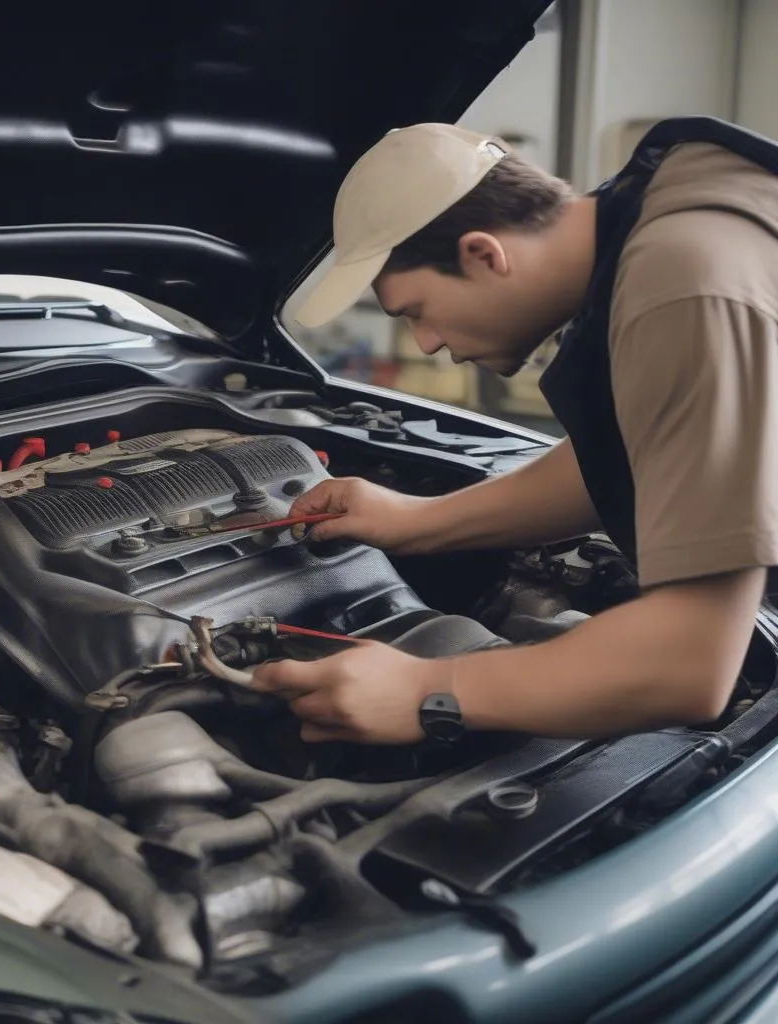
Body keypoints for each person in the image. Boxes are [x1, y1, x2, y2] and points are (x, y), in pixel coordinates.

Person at [250, 118, 778, 746]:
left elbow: (689, 665)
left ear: (483, 253)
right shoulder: (667, 215)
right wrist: (418, 520)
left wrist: (425, 692)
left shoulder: (683, 286)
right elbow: (645, 460)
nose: (427, 341)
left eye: (415, 311)